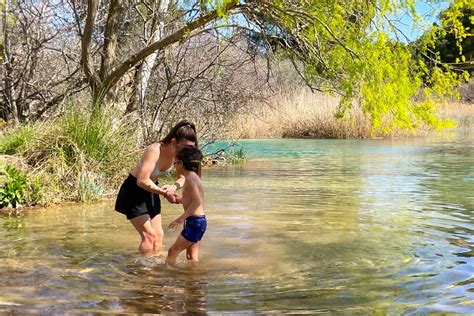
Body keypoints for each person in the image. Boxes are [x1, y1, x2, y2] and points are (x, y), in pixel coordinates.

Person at [114, 120, 198, 255]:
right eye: (185, 148)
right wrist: (164, 193)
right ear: (173, 142)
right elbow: (142, 180)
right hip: (134, 191)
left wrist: (172, 187)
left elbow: (182, 177)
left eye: (191, 148)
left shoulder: (180, 155)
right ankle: (144, 270)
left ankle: (155, 269)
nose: (188, 152)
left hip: (152, 192)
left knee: (159, 235)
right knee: (149, 236)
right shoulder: (154, 150)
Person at [166, 146, 206, 267]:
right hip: (198, 222)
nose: (174, 166)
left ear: (181, 164)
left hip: (195, 222)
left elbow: (197, 202)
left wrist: (180, 218)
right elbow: (192, 200)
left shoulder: (189, 180)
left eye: (175, 163)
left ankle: (166, 277)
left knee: (172, 251)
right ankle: (193, 282)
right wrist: (178, 200)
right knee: (191, 257)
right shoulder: (194, 177)